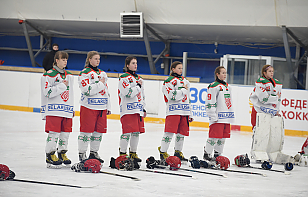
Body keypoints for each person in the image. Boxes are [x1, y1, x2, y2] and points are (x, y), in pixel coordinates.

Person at [249, 64, 291, 164]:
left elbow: (278, 100)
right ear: (264, 73)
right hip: (258, 110)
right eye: (269, 71)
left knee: (270, 133)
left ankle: (268, 152)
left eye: (272, 71)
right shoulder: (260, 83)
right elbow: (263, 99)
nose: (271, 73)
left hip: (270, 112)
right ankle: (257, 152)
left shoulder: (277, 83)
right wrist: (275, 97)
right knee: (258, 131)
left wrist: (276, 111)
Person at [41, 51, 74, 168]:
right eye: (63, 59)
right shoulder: (48, 75)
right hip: (54, 109)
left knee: (66, 134)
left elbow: (70, 94)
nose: (65, 61)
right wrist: (62, 86)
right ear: (56, 60)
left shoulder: (69, 75)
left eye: (66, 59)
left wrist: (71, 108)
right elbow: (47, 92)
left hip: (66, 110)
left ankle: (62, 153)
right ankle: (50, 155)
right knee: (53, 134)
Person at [78, 51, 111, 163]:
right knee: (86, 132)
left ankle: (94, 152)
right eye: (95, 58)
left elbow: (106, 91)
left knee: (98, 132)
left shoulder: (102, 73)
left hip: (101, 107)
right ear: (89, 59)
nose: (98, 61)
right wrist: (100, 84)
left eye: (99, 59)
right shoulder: (84, 73)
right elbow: (87, 90)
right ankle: (82, 154)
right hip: (89, 106)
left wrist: (108, 106)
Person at [158, 61, 193, 164]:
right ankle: (163, 152)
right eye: (178, 68)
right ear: (172, 69)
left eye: (182, 68)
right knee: (169, 133)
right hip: (173, 111)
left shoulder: (186, 81)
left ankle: (178, 152)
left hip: (184, 110)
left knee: (181, 134)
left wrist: (190, 113)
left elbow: (188, 98)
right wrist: (182, 90)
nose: (181, 70)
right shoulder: (168, 81)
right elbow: (171, 96)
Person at [118, 56, 146, 162]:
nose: (135, 65)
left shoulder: (139, 78)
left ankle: (133, 153)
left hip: (137, 110)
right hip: (127, 110)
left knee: (136, 133)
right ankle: (122, 153)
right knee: (126, 133)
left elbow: (142, 96)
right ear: (127, 65)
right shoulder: (123, 78)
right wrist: (138, 86)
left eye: (136, 63)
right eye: (133, 63)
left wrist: (143, 108)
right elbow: (128, 93)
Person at [204, 66, 234, 161]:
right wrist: (212, 115)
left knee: (222, 138)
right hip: (217, 117)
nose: (225, 75)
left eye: (225, 73)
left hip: (226, 117)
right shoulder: (213, 86)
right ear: (217, 74)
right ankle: (207, 154)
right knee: (213, 137)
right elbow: (210, 101)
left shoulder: (227, 86)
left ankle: (218, 155)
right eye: (222, 73)